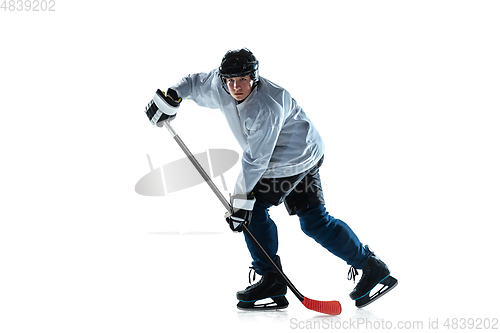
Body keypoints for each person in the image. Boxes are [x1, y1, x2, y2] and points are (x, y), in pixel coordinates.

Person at [144, 48, 397, 310]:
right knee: (314, 222)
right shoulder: (221, 85)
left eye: (242, 79)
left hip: (292, 158)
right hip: (303, 150)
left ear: (254, 76)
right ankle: (372, 267)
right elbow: (195, 83)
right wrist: (171, 97)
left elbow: (256, 161)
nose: (235, 86)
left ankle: (271, 280)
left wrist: (240, 202)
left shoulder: (266, 106)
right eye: (230, 80)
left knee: (250, 211)